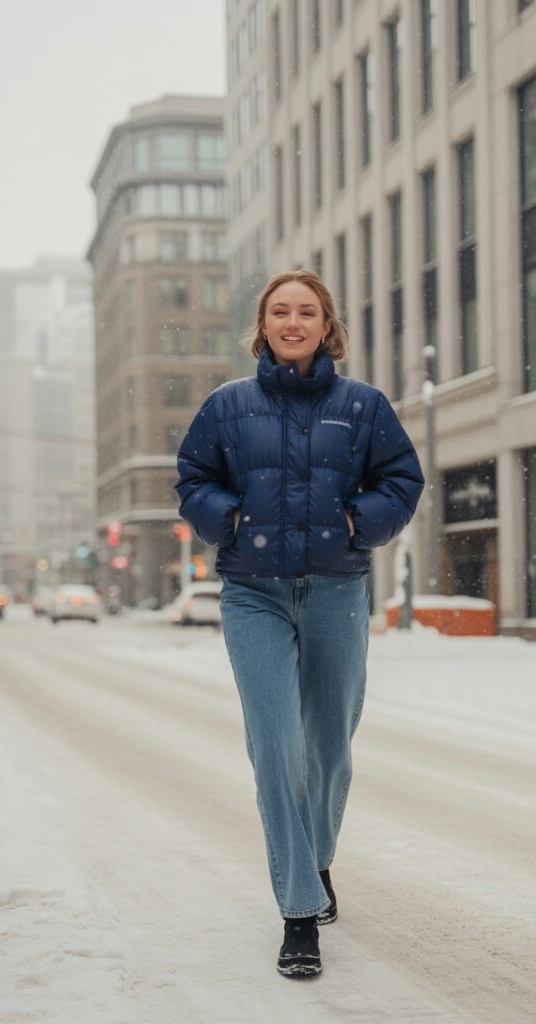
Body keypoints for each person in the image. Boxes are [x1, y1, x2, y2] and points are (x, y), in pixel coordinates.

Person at [175, 270, 424, 979]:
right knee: (277, 747)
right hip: (251, 593)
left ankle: (314, 860)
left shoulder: (363, 405)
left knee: (329, 749)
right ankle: (297, 911)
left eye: (306, 311)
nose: (293, 321)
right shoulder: (227, 406)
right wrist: (228, 519)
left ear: (326, 324)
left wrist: (355, 521)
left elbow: (402, 481)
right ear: (263, 324)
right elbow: (193, 477)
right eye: (280, 311)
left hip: (336, 591)